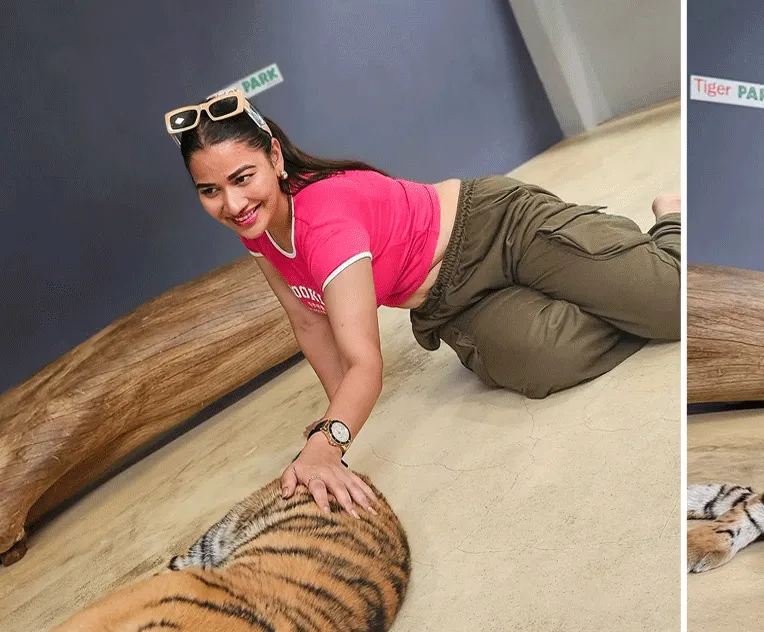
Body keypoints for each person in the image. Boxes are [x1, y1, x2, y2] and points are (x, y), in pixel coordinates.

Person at [165, 89, 681, 516]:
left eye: (242, 178)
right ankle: (613, 274)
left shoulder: (325, 220)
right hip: (451, 300)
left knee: (674, 306)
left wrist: (327, 445)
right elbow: (307, 321)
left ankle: (663, 228)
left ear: (274, 158)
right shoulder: (257, 233)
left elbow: (365, 361)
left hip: (501, 229)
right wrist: (332, 424)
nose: (231, 204)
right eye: (209, 191)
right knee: (539, 364)